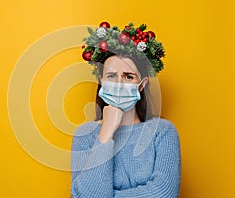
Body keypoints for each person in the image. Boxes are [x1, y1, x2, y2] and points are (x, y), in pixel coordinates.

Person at [70, 22, 181, 198]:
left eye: (128, 77)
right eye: (111, 76)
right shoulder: (84, 135)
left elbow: (164, 194)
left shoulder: (162, 132)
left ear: (141, 85)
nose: (119, 84)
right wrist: (106, 132)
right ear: (101, 82)